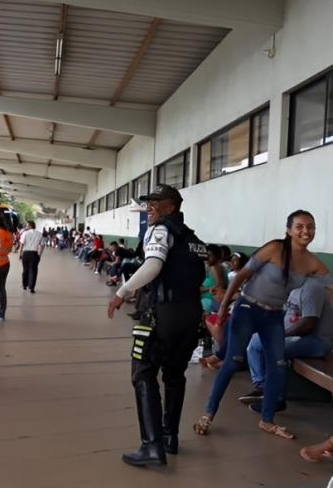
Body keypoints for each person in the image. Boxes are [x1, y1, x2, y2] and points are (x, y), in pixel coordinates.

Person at [193, 210, 330, 440]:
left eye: (310, 227)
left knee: (277, 365)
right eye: (300, 226)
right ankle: (208, 414)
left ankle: (267, 420)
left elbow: (331, 288)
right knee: (232, 361)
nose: (305, 231)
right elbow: (240, 276)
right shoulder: (274, 249)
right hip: (248, 308)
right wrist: (225, 307)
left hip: (273, 316)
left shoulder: (312, 262)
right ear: (289, 230)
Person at [107, 184, 208, 467]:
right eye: (147, 202)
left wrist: (121, 293)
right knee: (175, 375)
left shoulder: (161, 229)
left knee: (143, 373)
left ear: (171, 207)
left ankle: (151, 446)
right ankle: (169, 437)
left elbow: (152, 265)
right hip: (190, 316)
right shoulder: (193, 239)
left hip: (161, 314)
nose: (149, 207)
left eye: (155, 202)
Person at [238, 279, 333, 413]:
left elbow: (309, 323)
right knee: (255, 340)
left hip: (317, 341)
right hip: (297, 336)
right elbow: (286, 314)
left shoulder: (313, 287)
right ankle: (262, 387)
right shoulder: (293, 286)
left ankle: (277, 399)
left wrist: (280, 334)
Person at [20, 221, 44, 293]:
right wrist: (39, 255)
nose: (26, 227)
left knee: (25, 270)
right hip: (34, 254)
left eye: (27, 226)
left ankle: (24, 285)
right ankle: (31, 288)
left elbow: (21, 244)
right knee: (33, 271)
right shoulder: (39, 234)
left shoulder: (25, 233)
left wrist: (20, 254)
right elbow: (42, 246)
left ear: (30, 226)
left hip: (26, 253)